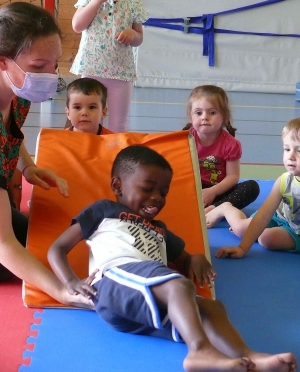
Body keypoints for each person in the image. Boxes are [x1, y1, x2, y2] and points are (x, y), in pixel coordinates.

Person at [48, 145, 297, 372]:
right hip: (115, 280)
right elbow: (57, 248)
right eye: (147, 188)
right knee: (178, 285)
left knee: (212, 308)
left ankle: (249, 358)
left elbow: (184, 259)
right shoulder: (104, 210)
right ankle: (199, 351)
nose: (156, 197)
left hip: (143, 305)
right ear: (117, 185)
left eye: (163, 192)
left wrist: (196, 259)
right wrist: (70, 282)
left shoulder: (159, 229)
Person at [0, 1, 93, 308]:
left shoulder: (18, 94)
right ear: (3, 62)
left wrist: (27, 167)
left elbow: (11, 132)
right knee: (21, 258)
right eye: (38, 66)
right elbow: (3, 245)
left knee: (44, 240)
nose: (49, 75)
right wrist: (62, 291)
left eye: (54, 64)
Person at [69, 0, 148, 133]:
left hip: (120, 74)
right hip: (92, 69)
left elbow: (139, 38)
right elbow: (78, 25)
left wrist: (133, 34)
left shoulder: (134, 3)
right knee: (87, 122)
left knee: (118, 125)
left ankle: (116, 160)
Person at [216, 117, 300, 259]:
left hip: (296, 232)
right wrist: (242, 248)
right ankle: (225, 208)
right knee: (241, 228)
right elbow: (263, 215)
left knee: (266, 238)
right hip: (280, 217)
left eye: (299, 151)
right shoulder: (284, 181)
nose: (290, 156)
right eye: (287, 149)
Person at [183, 85, 260, 228]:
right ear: (190, 116)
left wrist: (212, 192)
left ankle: (215, 209)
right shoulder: (184, 140)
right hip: (192, 190)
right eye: (198, 113)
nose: (205, 117)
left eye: (212, 112)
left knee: (252, 187)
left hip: (219, 191)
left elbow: (232, 177)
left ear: (224, 116)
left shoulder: (230, 144)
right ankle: (195, 206)